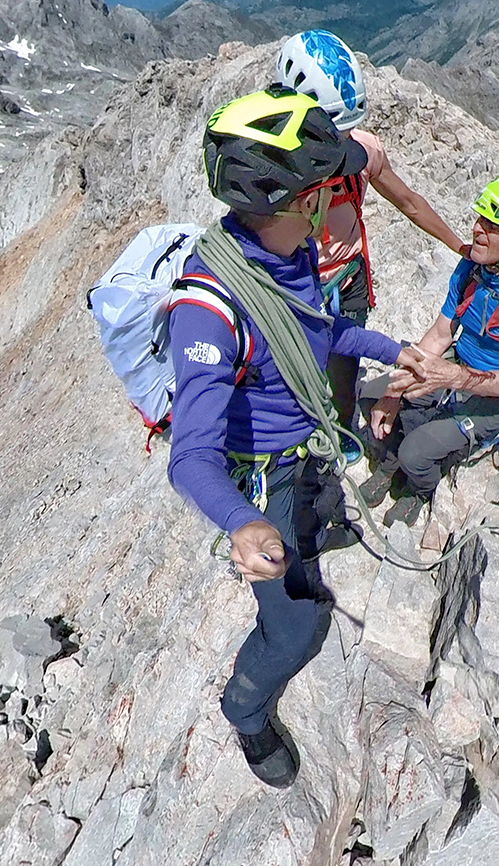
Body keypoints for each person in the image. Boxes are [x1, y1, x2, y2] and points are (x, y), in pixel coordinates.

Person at [167, 87, 424, 788]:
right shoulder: (208, 310)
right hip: (262, 477)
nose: (337, 196)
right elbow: (189, 455)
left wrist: (392, 349)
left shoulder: (292, 255)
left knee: (319, 515)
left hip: (306, 450)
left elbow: (321, 331)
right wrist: (244, 524)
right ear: (294, 200)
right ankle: (246, 710)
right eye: (325, 186)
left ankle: (314, 526)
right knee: (298, 629)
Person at [275, 29, 471, 446]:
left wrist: (459, 246)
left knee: (343, 367)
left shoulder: (363, 151)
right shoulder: (270, 164)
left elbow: (409, 201)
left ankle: (340, 430)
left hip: (347, 274)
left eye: (345, 131)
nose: (341, 142)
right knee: (295, 367)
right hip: (296, 281)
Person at [360, 174, 499, 528]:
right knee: (372, 395)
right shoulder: (473, 267)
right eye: (480, 219)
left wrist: (451, 376)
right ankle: (392, 462)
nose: (477, 230)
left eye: (492, 225)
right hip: (460, 367)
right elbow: (440, 334)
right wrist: (395, 390)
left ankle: (419, 488)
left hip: (498, 396)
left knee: (417, 453)